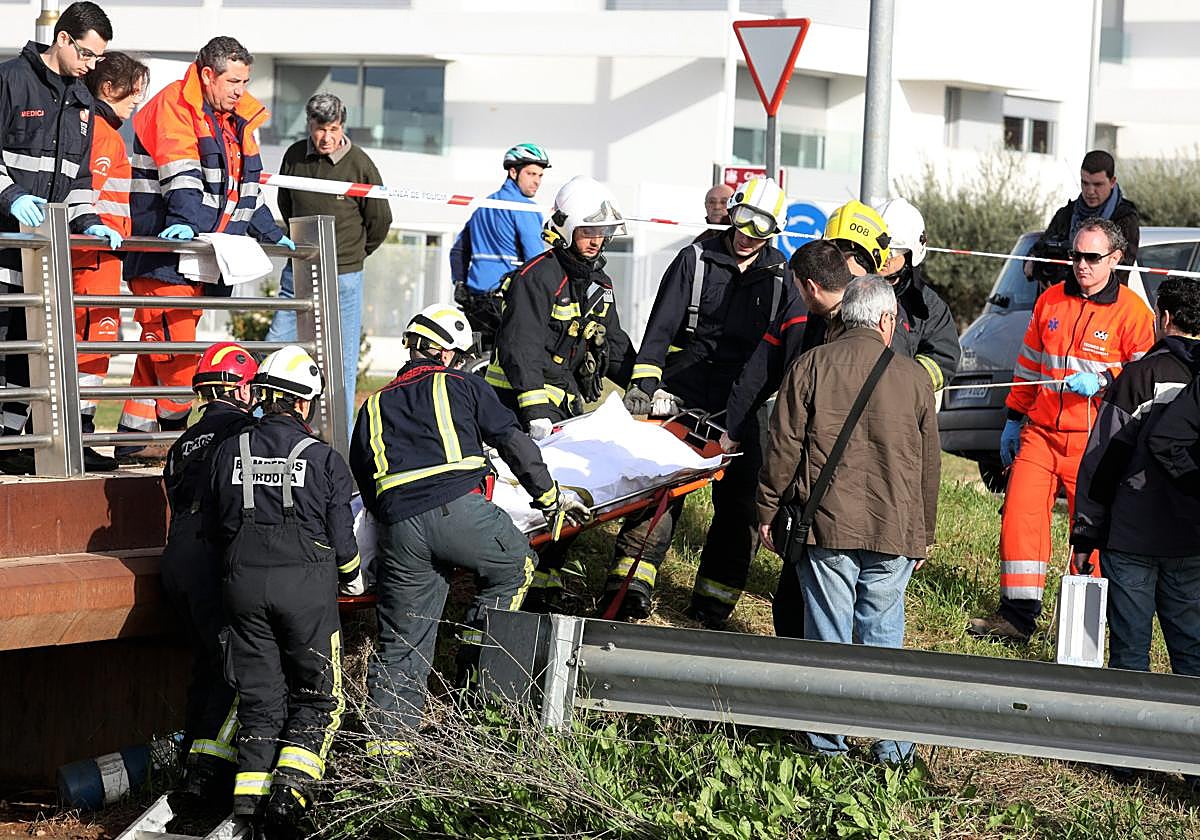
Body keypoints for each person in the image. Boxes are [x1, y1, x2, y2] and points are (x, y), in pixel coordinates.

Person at [349, 304, 588, 758]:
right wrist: (549, 497)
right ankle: (478, 687)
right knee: (516, 566)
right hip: (457, 510)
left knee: (402, 641)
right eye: (458, 357)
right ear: (445, 353)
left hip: (398, 528)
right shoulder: (462, 384)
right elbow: (512, 442)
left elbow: (363, 478)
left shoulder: (373, 404)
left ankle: (387, 754)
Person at [757, 275, 939, 765]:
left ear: (843, 316)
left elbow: (783, 448)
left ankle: (827, 748)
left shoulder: (811, 365)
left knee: (828, 636)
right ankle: (892, 751)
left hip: (826, 525)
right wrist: (924, 534)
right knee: (883, 638)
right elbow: (929, 465)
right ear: (887, 321)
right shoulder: (915, 378)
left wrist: (768, 509)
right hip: (894, 529)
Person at [604, 176, 796, 627]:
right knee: (659, 491)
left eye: (761, 228)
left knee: (741, 506)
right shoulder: (695, 259)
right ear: (732, 212)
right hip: (685, 392)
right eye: (743, 220)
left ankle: (713, 603)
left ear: (775, 231)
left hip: (745, 402)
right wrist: (644, 385)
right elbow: (660, 329)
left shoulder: (781, 277)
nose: (748, 234)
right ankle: (630, 587)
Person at [969, 219, 1154, 644]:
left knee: (1088, 535)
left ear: (1115, 259)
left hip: (1094, 441)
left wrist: (1104, 379)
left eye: (1092, 257)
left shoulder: (1132, 313)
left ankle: (1082, 629)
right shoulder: (1050, 301)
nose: (1081, 265)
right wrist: (1013, 418)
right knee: (1020, 517)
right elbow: (1029, 366)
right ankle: (1017, 617)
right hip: (1040, 433)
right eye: (1075, 256)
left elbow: (1144, 373)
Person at [206, 345, 361, 837]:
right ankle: (290, 798)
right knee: (319, 696)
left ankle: (248, 801)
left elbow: (216, 523)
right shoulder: (323, 458)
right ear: (302, 402)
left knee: (259, 697)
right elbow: (343, 540)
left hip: (242, 587)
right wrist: (353, 576)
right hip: (305, 591)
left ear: (263, 396)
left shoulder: (228, 451)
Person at [117, 36, 294, 458]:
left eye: (245, 82)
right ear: (208, 75)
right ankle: (178, 440)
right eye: (233, 81)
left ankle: (131, 441)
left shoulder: (236, 118)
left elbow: (246, 188)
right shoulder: (175, 106)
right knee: (176, 356)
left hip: (198, 256)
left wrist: (270, 232)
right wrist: (184, 221)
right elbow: (181, 175)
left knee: (158, 350)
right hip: (165, 255)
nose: (240, 90)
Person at [484, 175, 637, 611]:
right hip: (514, 408)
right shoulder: (537, 277)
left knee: (566, 490)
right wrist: (535, 409)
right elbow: (519, 348)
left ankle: (544, 582)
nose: (596, 240)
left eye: (602, 232)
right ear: (567, 229)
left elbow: (614, 345)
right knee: (524, 494)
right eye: (588, 231)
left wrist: (646, 384)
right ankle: (508, 576)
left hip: (564, 408)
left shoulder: (600, 285)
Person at [0, 1, 112, 475]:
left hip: (41, 255)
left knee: (27, 355)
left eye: (98, 59)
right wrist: (9, 196)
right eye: (86, 54)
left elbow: (79, 179)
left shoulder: (83, 102)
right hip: (4, 243)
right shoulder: (10, 79)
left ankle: (8, 440)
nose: (91, 65)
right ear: (63, 38)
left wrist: (88, 221)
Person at [1071, 276, 1200, 677]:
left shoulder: (1140, 376)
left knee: (1130, 654)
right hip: (1191, 538)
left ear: (1164, 318)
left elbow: (1102, 459)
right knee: (1192, 654)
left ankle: (1131, 719)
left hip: (1131, 534)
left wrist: (1085, 534)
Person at [160, 342, 257, 812]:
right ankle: (204, 777)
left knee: (205, 663)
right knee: (232, 665)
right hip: (211, 554)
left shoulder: (182, 443)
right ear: (239, 389)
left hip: (176, 558)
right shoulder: (244, 433)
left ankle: (188, 761)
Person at [264, 92, 392, 428]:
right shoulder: (294, 156)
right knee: (274, 345)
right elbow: (286, 205)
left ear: (342, 126)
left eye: (333, 129)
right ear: (309, 125)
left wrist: (354, 254)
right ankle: (262, 423)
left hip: (345, 274)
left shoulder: (360, 164)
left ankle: (341, 439)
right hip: (299, 268)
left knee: (341, 361)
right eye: (320, 128)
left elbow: (380, 219)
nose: (326, 137)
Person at [71, 52, 149, 472]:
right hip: (94, 258)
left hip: (97, 256)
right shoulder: (103, 136)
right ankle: (79, 436)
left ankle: (77, 434)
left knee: (89, 346)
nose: (136, 101)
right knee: (92, 347)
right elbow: (89, 194)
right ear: (107, 88)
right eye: (132, 92)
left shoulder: (92, 129)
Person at [722, 239, 849, 453]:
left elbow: (757, 376)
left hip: (808, 441)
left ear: (811, 288)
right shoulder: (882, 313)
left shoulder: (797, 312)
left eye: (797, 288)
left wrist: (734, 430)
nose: (797, 294)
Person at [450, 143, 550, 352]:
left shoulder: (484, 205)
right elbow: (536, 262)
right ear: (513, 172)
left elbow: (458, 251)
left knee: (480, 358)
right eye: (531, 174)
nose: (537, 181)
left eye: (540, 175)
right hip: (505, 299)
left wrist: (459, 282)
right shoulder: (523, 208)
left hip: (474, 299)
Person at [875, 197, 960, 393]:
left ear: (911, 253)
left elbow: (943, 360)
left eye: (893, 251)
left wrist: (905, 381)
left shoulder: (928, 306)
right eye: (879, 250)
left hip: (899, 401)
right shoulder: (852, 291)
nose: (884, 258)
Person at [1025, 150, 1139, 287]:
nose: (1090, 191)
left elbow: (1121, 270)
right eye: (1085, 183)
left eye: (1098, 184)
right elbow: (1034, 254)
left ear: (1112, 182)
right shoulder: (1066, 214)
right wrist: (1035, 266)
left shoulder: (1125, 218)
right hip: (1056, 297)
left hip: (1104, 298)